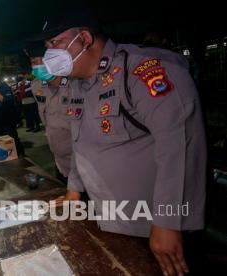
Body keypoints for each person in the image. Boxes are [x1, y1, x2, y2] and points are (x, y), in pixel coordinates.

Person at [38, 12, 206, 276]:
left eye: (55, 43)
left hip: (159, 227)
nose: (49, 53)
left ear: (84, 38)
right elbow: (80, 143)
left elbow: (180, 144)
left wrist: (167, 221)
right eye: (47, 46)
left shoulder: (142, 68)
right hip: (114, 221)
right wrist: (73, 190)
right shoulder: (78, 85)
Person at [24, 42, 83, 185]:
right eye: (33, 62)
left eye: (42, 60)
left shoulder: (76, 84)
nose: (37, 66)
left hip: (83, 163)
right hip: (60, 162)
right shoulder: (36, 86)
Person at [0, 71, 25, 156]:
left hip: (8, 118)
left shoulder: (4, 86)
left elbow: (8, 102)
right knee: (4, 140)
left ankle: (21, 155)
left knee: (13, 138)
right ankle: (11, 156)